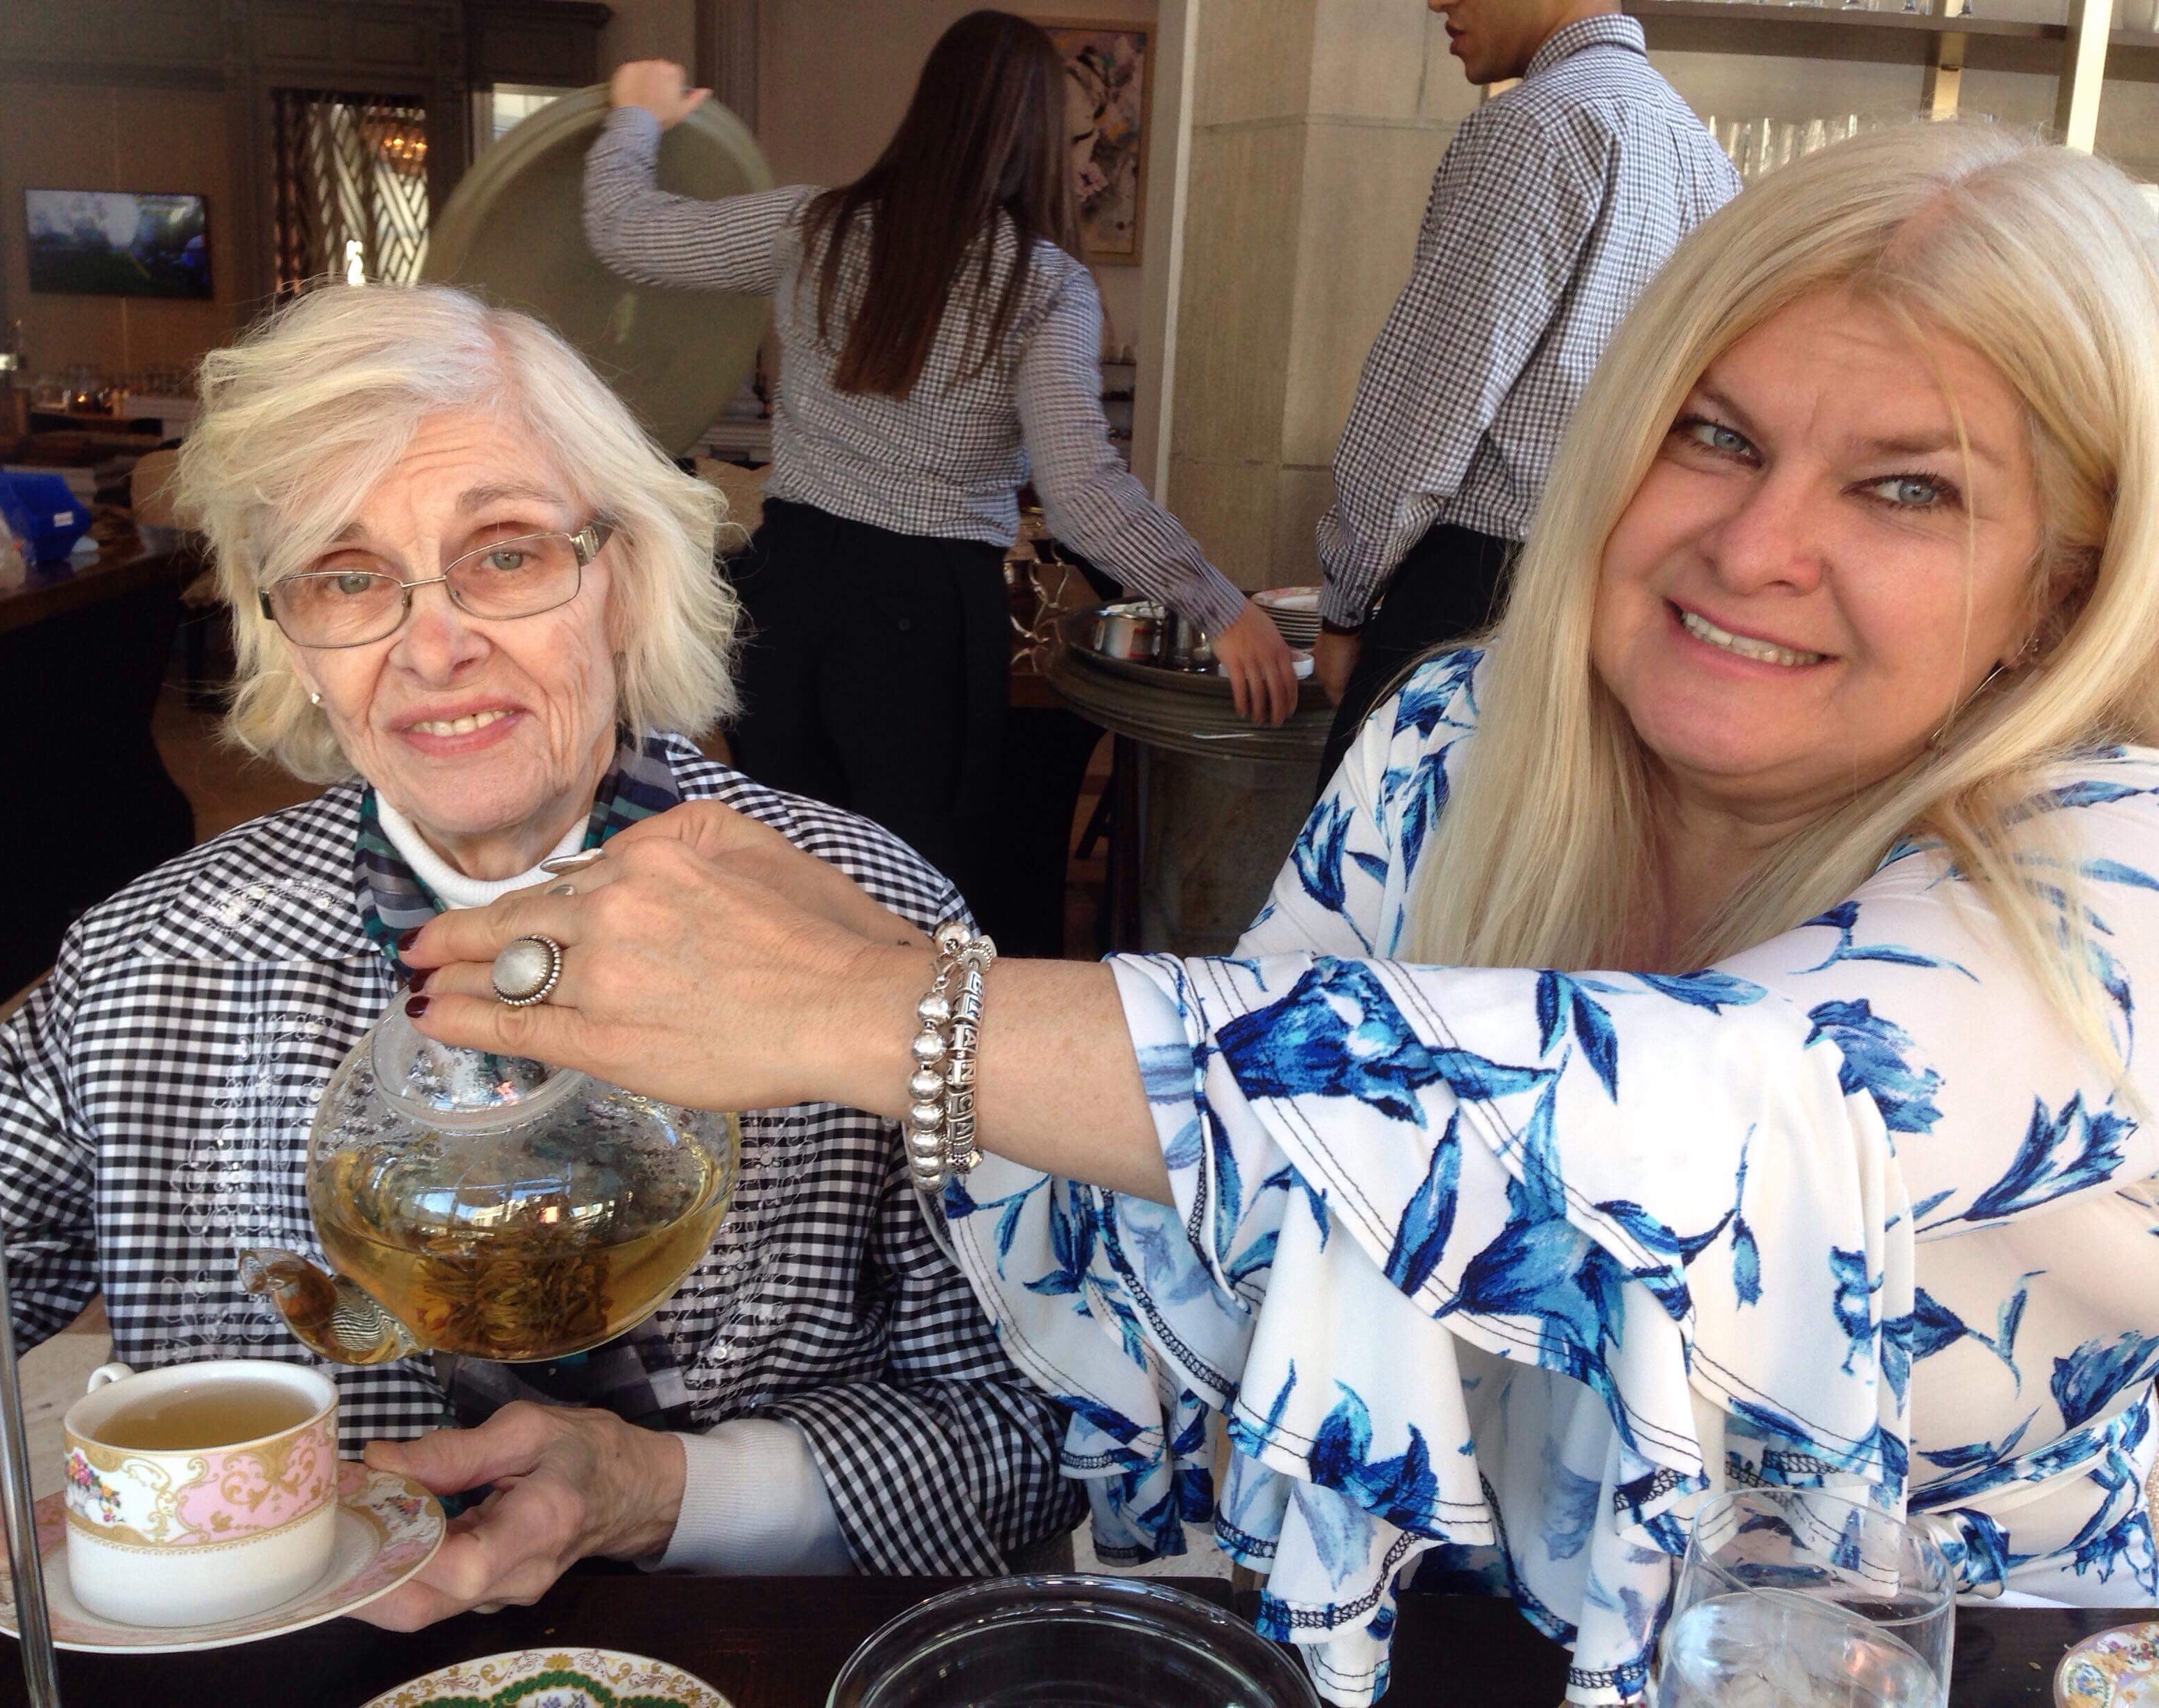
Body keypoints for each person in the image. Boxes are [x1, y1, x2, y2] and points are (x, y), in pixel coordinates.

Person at [399, 126, 2159, 1702]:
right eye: (1715, 434)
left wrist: (885, 1009)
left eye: (1908, 487)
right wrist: (669, 1473)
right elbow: (1210, 1234)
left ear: (2062, 587)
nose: (1757, 544)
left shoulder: (2112, 867)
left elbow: (1720, 1110)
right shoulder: (1456, 741)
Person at [0, 283, 1083, 1637]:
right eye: (347, 577)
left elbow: (1037, 1437)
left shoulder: (866, 919)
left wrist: (668, 1490)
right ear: (289, 634)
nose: (434, 645)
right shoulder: (151, 964)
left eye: (505, 554)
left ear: (624, 577)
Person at [582, 12, 1299, 915]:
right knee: (910, 900)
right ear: (1040, 136)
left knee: (778, 885)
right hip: (920, 620)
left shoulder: (815, 226)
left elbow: (623, 230)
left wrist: (636, 116)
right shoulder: (1045, 284)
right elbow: (1079, 493)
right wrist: (1219, 606)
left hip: (785, 592)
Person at [1311, 0, 1738, 784]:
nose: (1436, 1)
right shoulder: (1700, 151)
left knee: (1382, 855)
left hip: (1474, 594)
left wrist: (1346, 603)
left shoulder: (1534, 128)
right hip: (1614, 597)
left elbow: (1424, 409)